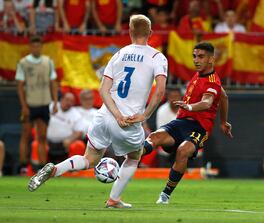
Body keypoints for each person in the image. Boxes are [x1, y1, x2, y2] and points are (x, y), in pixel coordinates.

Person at [28, 14, 168, 209]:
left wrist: (114, 113)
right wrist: (144, 116)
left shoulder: (118, 55)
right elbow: (160, 90)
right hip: (129, 120)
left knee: (90, 158)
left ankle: (54, 170)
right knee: (134, 156)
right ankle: (113, 199)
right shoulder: (157, 56)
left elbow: (103, 89)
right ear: (150, 33)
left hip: (103, 115)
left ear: (129, 32)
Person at [135, 42, 232, 204]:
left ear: (211, 59)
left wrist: (189, 106)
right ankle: (126, 162)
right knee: (154, 137)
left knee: (183, 150)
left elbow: (207, 103)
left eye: (201, 57)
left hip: (199, 128)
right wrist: (223, 122)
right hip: (180, 123)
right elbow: (224, 97)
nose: (196, 60)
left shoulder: (213, 81)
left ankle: (165, 194)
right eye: (194, 56)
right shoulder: (200, 74)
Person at [16, 35, 58, 174]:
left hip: (44, 103)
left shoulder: (48, 62)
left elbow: (53, 83)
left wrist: (55, 102)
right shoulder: (23, 63)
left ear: (41, 47)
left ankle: (41, 167)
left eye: (38, 45)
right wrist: (24, 106)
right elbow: (20, 85)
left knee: (42, 136)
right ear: (30, 47)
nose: (36, 48)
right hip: (30, 103)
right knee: (26, 135)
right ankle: (23, 166)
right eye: (33, 46)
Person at [46, 92, 83, 164]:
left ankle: (74, 171)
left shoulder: (76, 114)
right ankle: (38, 169)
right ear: (62, 99)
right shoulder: (52, 106)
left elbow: (79, 132)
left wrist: (70, 139)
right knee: (37, 144)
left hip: (65, 143)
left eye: (71, 101)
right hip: (47, 141)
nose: (68, 103)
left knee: (78, 145)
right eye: (67, 100)